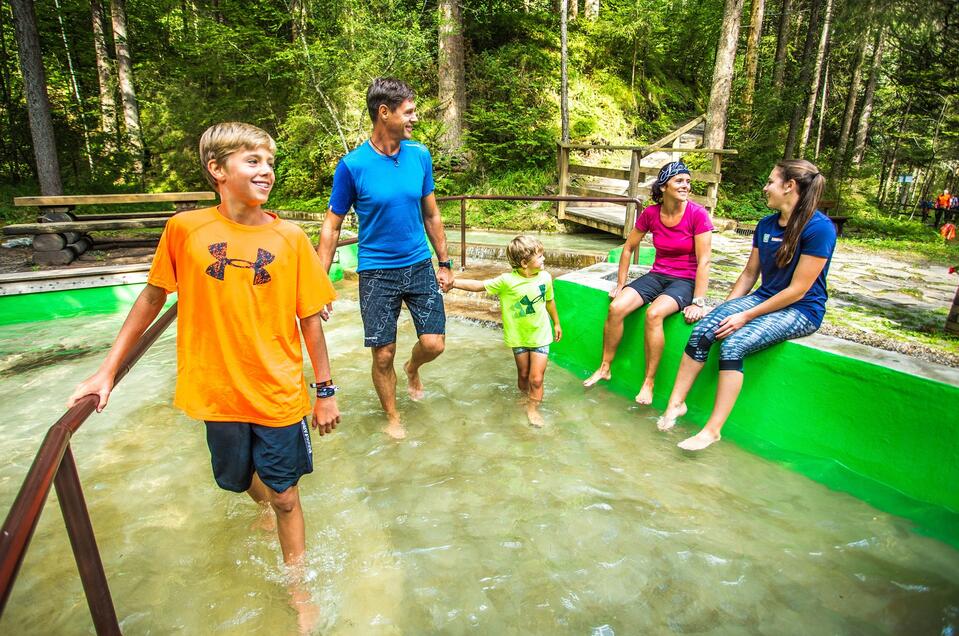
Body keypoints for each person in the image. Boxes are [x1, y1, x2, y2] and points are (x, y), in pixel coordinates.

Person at [67, 122, 339, 629]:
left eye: (269, 161)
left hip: (277, 389)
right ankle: (263, 501)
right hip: (215, 389)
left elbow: (310, 320)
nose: (266, 170)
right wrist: (107, 371)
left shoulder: (290, 238)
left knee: (285, 495)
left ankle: (299, 589)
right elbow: (153, 296)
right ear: (217, 170)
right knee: (237, 482)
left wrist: (325, 391)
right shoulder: (185, 230)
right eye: (252, 161)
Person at [658, 159, 836, 451]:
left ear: (789, 186)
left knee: (733, 345)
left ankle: (712, 430)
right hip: (764, 297)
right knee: (705, 329)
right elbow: (750, 275)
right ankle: (675, 404)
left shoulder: (819, 229)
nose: (765, 188)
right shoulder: (766, 224)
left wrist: (745, 316)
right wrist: (724, 311)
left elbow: (798, 290)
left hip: (801, 309)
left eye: (770, 182)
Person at [316, 77, 454, 440]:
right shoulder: (353, 166)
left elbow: (432, 214)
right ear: (384, 113)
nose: (414, 119)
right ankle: (393, 416)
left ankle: (412, 368)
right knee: (382, 355)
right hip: (377, 271)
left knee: (434, 343)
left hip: (419, 263)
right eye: (409, 112)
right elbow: (331, 227)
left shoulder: (420, 155)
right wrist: (318, 284)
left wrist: (445, 262)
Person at [583, 160, 713, 405]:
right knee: (616, 307)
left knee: (654, 314)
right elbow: (628, 247)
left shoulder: (697, 214)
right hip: (657, 275)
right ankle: (605, 367)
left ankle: (649, 381)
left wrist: (698, 301)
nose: (686, 185)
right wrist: (621, 285)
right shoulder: (652, 213)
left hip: (685, 279)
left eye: (688, 181)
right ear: (663, 186)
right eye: (680, 181)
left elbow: (704, 260)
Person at [451, 236, 562, 427]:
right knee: (523, 374)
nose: (544, 259)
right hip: (518, 336)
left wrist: (557, 323)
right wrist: (453, 283)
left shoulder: (545, 277)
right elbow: (479, 286)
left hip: (541, 334)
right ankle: (524, 396)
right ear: (524, 263)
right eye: (540, 256)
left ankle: (533, 408)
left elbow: (550, 301)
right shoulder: (507, 281)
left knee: (536, 378)